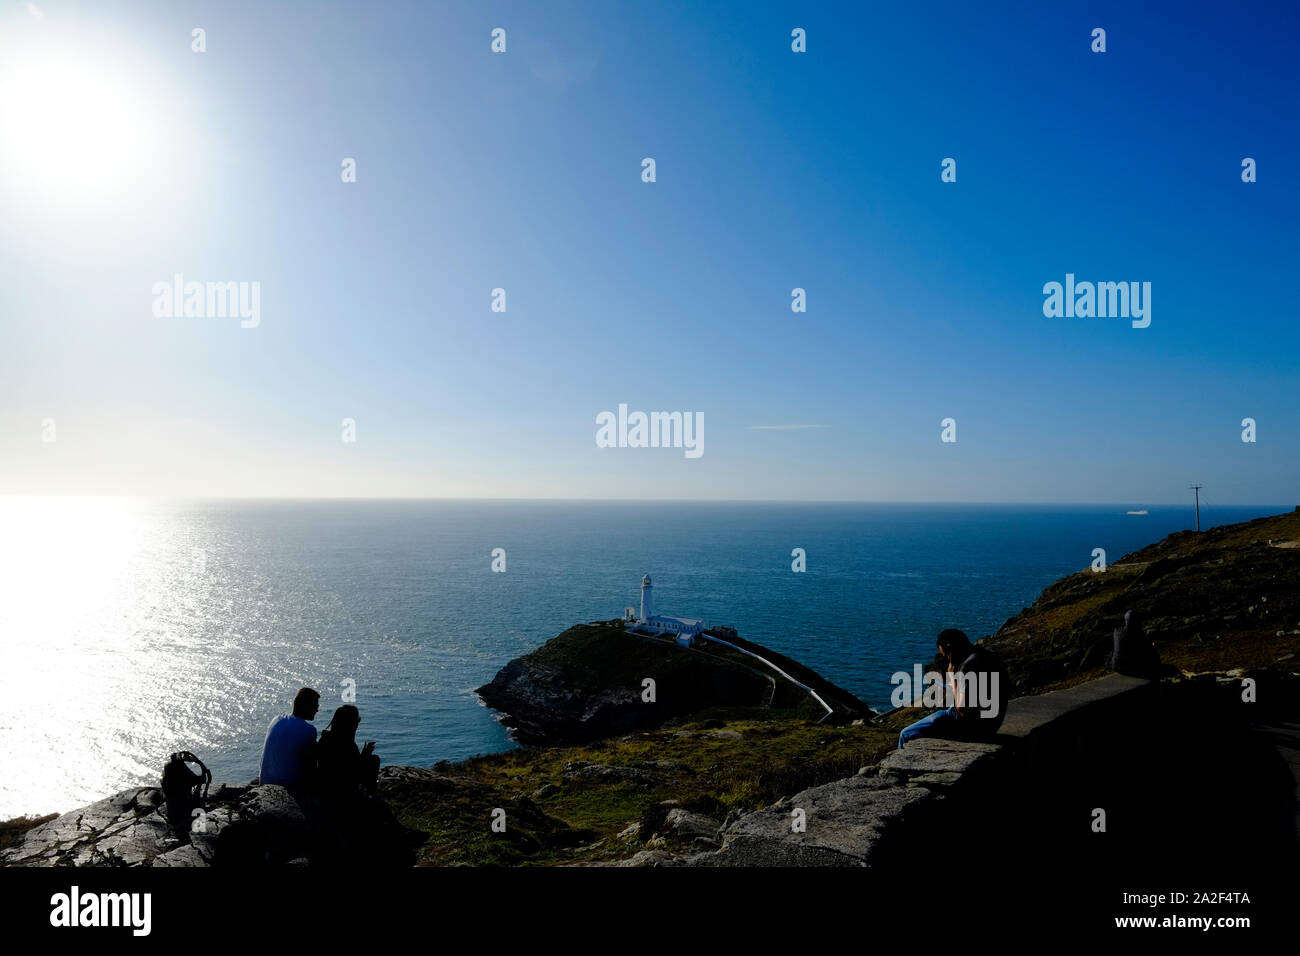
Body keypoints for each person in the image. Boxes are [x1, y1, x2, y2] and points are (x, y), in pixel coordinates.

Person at [898, 629, 1008, 749]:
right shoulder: (991, 657)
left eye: (946, 654)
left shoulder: (967, 666)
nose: (947, 659)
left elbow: (962, 709)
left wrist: (952, 676)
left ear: (950, 647)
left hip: (972, 728)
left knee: (906, 734)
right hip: (992, 724)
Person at [315, 704, 380, 803]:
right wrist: (365, 756)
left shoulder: (325, 739)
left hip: (324, 788)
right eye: (357, 720)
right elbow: (352, 771)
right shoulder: (348, 744)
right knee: (374, 760)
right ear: (352, 723)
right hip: (344, 791)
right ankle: (371, 795)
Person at [258, 687, 320, 788]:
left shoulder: (277, 719)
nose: (317, 710)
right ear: (306, 706)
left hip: (265, 782)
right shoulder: (308, 729)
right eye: (315, 706)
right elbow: (311, 766)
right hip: (287, 790)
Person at [1107, 609, 1161, 678]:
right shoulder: (1141, 636)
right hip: (1132, 670)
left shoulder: (1117, 631)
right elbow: (1152, 655)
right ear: (1138, 622)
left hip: (1116, 666)